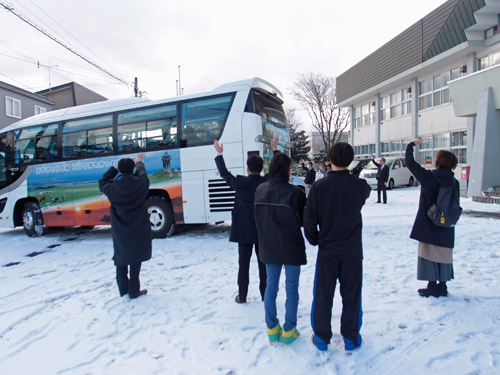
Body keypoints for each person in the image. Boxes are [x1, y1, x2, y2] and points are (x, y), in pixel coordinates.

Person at [304, 143, 371, 352]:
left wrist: (315, 239)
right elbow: (363, 193)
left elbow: (309, 220)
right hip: (352, 251)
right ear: (350, 160)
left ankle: (322, 338)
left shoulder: (318, 187)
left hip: (328, 250)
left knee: (323, 295)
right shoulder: (360, 186)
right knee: (352, 296)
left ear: (329, 160)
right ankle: (351, 338)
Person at [213, 138, 274, 304]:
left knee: (243, 265)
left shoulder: (239, 183)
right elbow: (276, 171)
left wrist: (220, 154)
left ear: (247, 169)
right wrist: (274, 150)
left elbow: (224, 173)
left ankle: (243, 295)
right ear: (261, 169)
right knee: (264, 266)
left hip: (244, 231)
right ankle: (265, 295)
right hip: (262, 232)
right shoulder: (267, 182)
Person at [254, 152, 307, 345]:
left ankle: (271, 329)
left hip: (269, 245)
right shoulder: (295, 193)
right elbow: (303, 220)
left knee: (271, 288)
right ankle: (289, 330)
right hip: (291, 246)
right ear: (287, 169)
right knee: (292, 289)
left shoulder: (260, 190)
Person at [405, 139, 459, 298]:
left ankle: (431, 285)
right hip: (446, 223)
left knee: (428, 254)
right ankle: (442, 286)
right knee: (444, 254)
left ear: (438, 162)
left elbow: (410, 162)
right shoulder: (454, 182)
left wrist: (411, 145)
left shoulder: (428, 177)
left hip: (429, 222)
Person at [99, 153, 152, 299]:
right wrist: (139, 162)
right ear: (132, 168)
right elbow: (142, 174)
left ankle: (123, 290)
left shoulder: (112, 187)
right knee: (136, 258)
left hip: (120, 228)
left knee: (121, 257)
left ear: (120, 170)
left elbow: (102, 181)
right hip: (139, 226)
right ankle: (134, 290)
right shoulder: (141, 184)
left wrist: (114, 170)